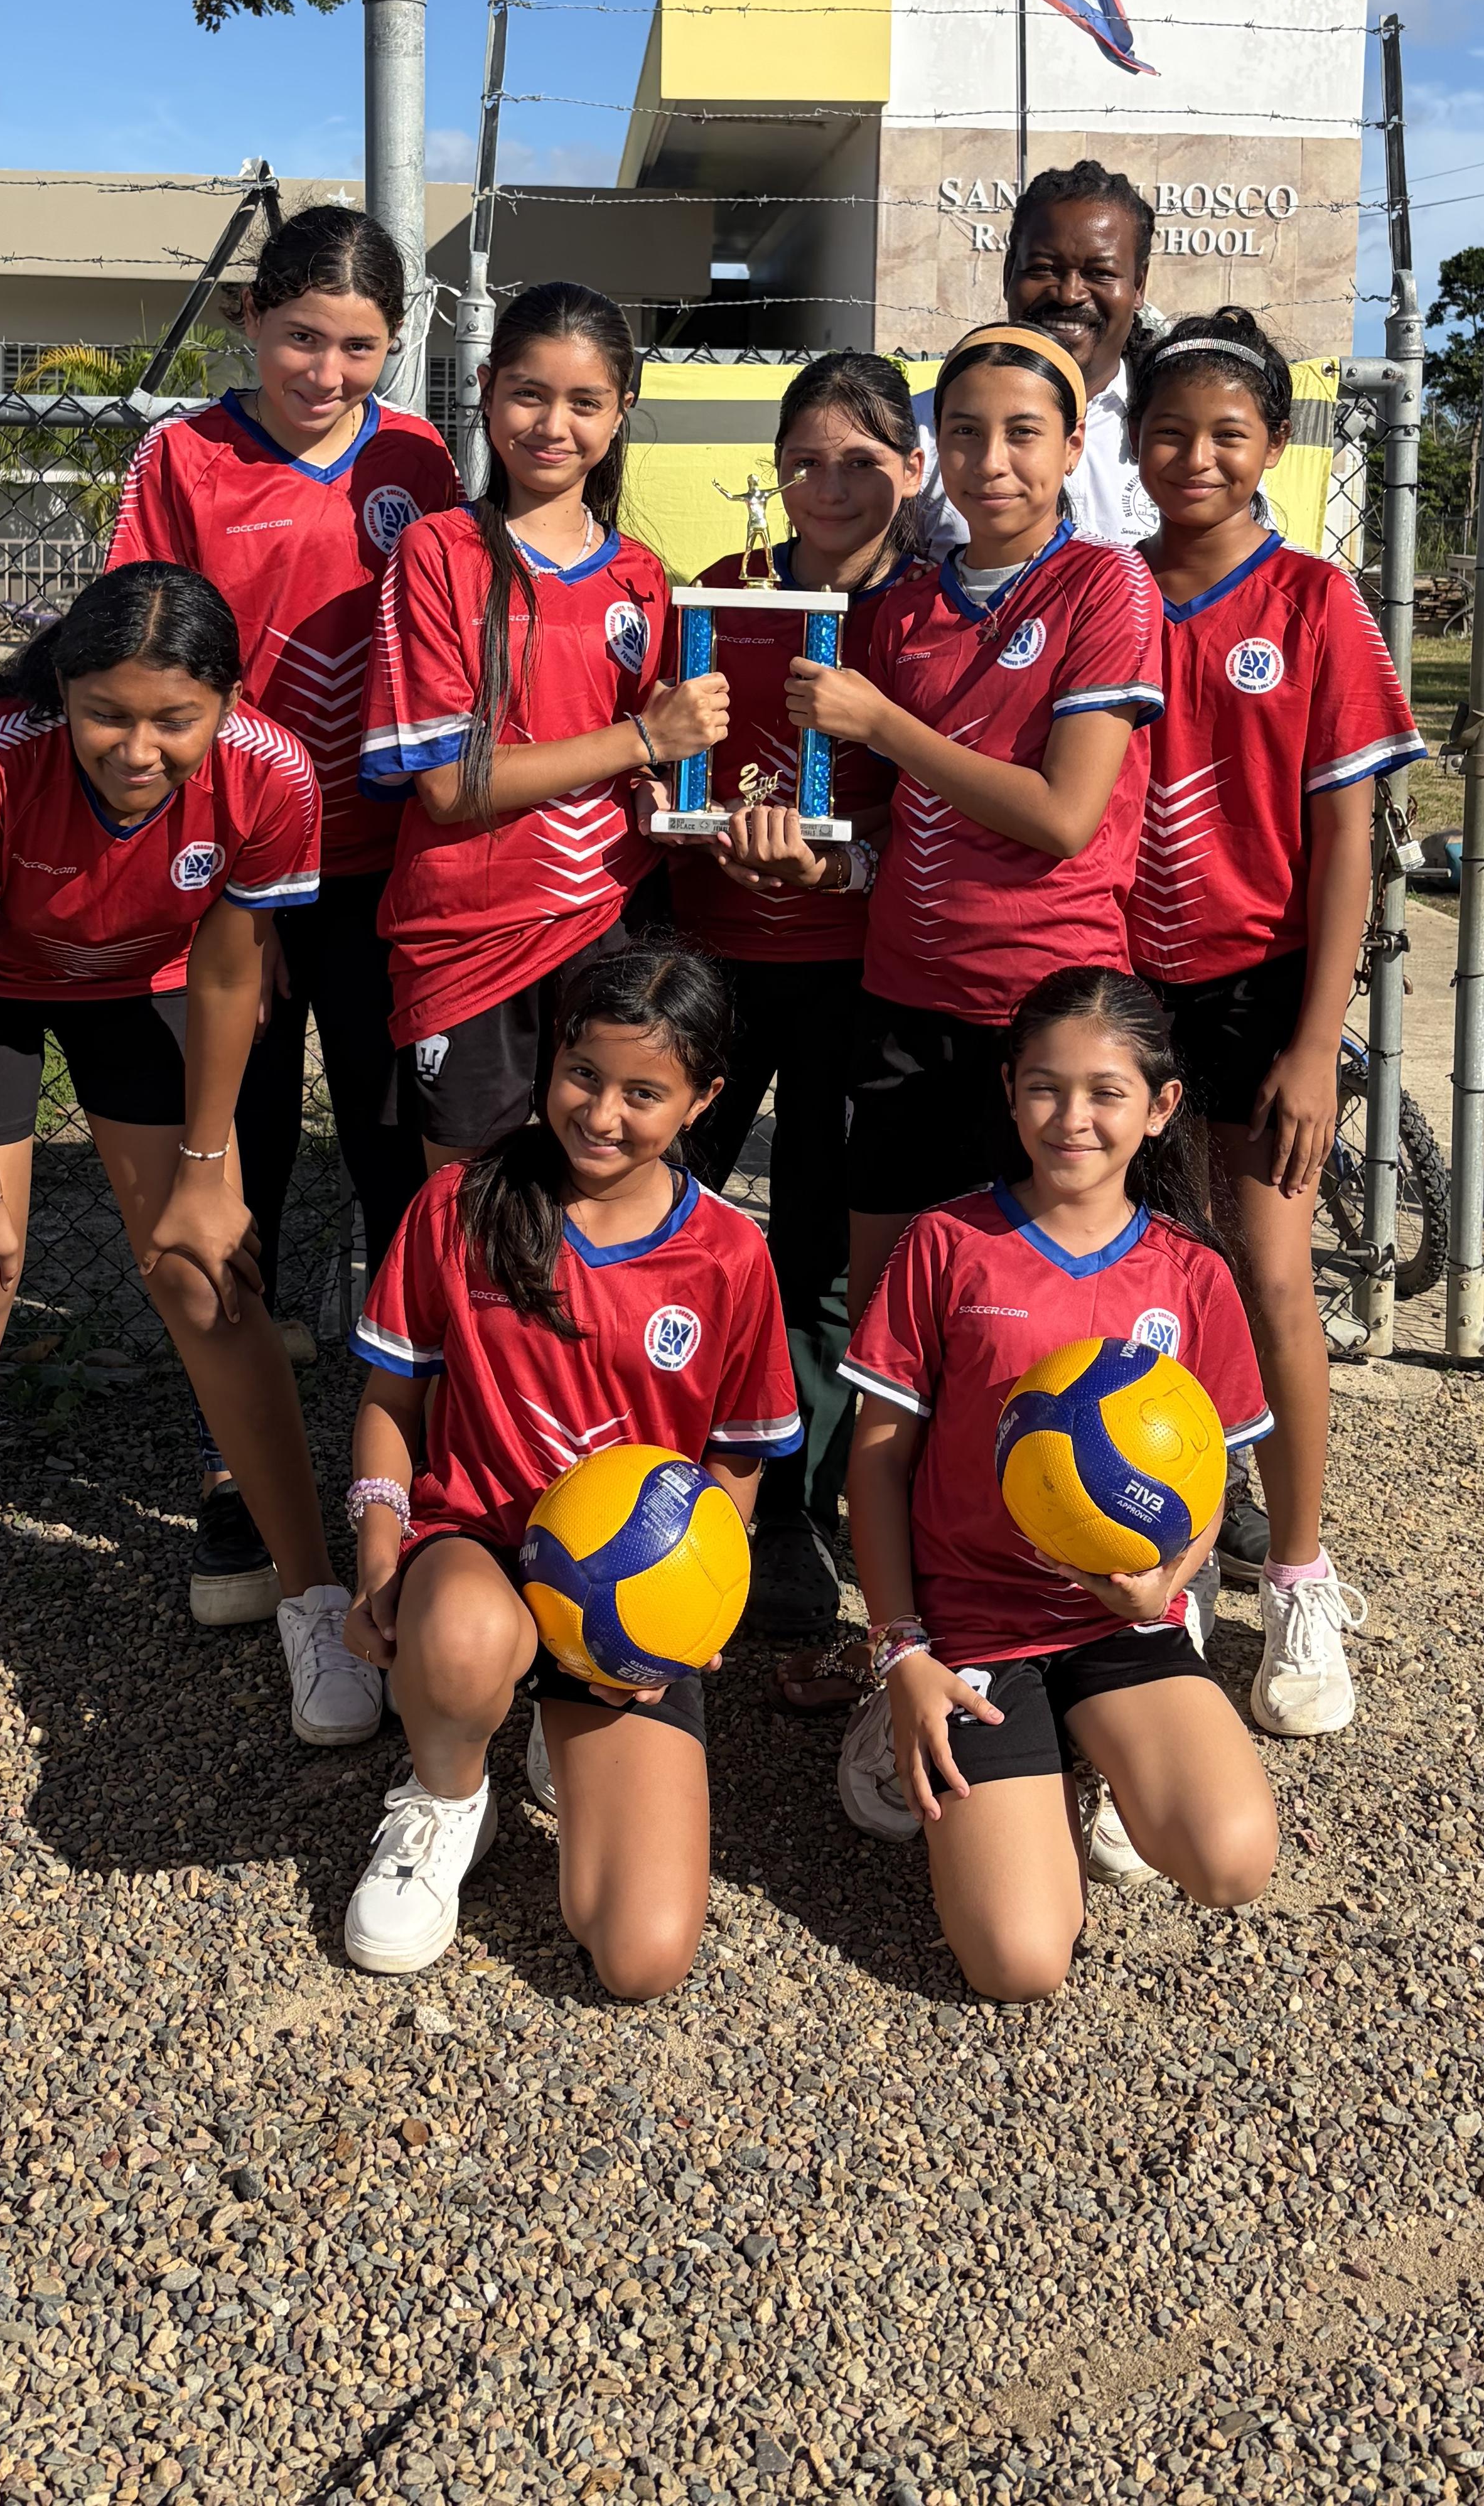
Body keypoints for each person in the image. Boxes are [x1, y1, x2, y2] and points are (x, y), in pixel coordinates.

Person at [0, 561, 380, 1756]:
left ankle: (312, 1595)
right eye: (106, 715)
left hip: (143, 982)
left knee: (206, 1272)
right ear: (64, 693)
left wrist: (206, 1168)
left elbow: (232, 971)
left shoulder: (274, 774)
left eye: (174, 719)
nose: (138, 750)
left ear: (228, 700)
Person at [107, 204, 463, 1629]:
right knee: (232, 1154)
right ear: (252, 320)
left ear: (395, 347)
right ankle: (235, 1472)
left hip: (378, 868)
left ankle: (407, 1460)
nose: (327, 372)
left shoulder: (415, 461)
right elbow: (146, 659)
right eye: (303, 337)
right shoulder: (183, 458)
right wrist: (216, 850)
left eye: (359, 347)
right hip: (227, 872)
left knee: (389, 1155)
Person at [338, 944, 800, 1990]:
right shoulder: (461, 1204)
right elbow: (390, 1403)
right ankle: (447, 1796)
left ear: (703, 1099)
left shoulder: (730, 1255)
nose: (601, 1113)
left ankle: (561, 1716)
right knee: (460, 1637)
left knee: (639, 1957)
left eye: (643, 1092)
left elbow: (736, 1456)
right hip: (481, 1549)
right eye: (583, 1074)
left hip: (624, 1597)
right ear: (551, 1058)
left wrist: (694, 1604)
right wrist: (377, 1560)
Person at [834, 966, 1277, 2002]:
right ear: (1008, 1090)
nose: (1071, 1118)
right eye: (1044, 1087)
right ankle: (900, 1714)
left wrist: (1171, 1575)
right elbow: (878, 1458)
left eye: (1105, 1092)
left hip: (1117, 1616)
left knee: (1230, 1861)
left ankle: (1090, 1750)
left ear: (1160, 1107)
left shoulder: (1190, 1273)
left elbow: (1207, 1474)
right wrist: (900, 1648)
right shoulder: (948, 1245)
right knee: (1018, 1963)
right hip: (970, 1626)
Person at [1126, 308, 1426, 1741]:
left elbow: (1345, 840)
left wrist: (1316, 1043)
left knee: (1269, 1273)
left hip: (1255, 984)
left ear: (1273, 445)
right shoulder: (1104, 589)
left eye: (1226, 434)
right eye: (1168, 431)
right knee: (1142, 1279)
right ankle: (1161, 1554)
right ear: (1133, 442)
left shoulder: (1312, 601)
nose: (1195, 457)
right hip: (1120, 987)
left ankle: (1298, 1573)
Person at [775, 323, 1163, 1332]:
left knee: (1034, 1310)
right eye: (964, 432)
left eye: (1023, 434)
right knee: (888, 1308)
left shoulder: (1106, 585)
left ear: (1074, 447)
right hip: (903, 995)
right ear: (934, 449)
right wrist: (810, 852)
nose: (992, 460)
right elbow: (904, 814)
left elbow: (1062, 817)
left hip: (1044, 1006)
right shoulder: (909, 609)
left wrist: (887, 726)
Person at [664, 352, 920, 1642]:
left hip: (849, 970)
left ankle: (796, 1513)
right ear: (773, 471)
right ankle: (663, 1466)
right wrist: (674, 806)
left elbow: (930, 809)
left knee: (818, 1241)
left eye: (860, 462)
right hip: (712, 958)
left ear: (911, 472)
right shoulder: (724, 594)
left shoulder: (920, 621)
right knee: (670, 1210)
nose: (828, 486)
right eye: (805, 461)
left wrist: (838, 865)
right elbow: (673, 764)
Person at [361, 279, 727, 1166]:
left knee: (609, 1181)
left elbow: (647, 765)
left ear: (622, 410)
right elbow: (450, 787)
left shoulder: (643, 575)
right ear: (486, 389)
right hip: (469, 933)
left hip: (609, 922)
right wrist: (643, 742)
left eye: (585, 403)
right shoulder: (438, 552)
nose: (553, 425)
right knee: (469, 1196)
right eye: (529, 394)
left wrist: (660, 791)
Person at [916, 159, 1161, 549]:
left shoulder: (1179, 436)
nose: (1069, 294)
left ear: (1139, 286)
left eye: (1099, 273)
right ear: (1008, 273)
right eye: (1044, 269)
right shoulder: (919, 431)